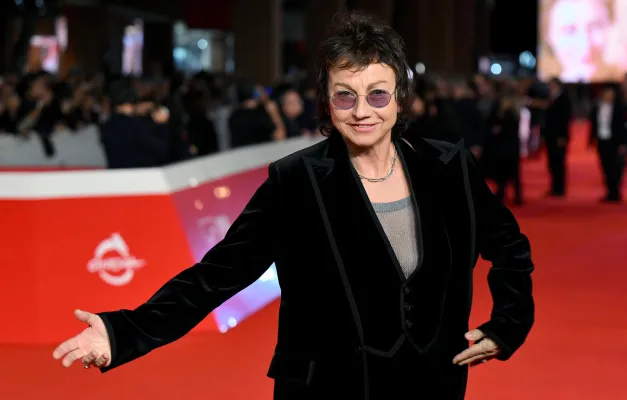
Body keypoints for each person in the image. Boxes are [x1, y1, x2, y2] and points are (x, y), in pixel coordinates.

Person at [52, 12, 534, 400]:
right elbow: (217, 275)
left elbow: (510, 247)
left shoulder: (449, 168)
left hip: (431, 385)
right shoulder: (296, 181)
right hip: (326, 388)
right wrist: (123, 332)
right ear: (326, 100)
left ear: (399, 99)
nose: (361, 111)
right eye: (345, 96)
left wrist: (509, 324)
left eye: (377, 94)